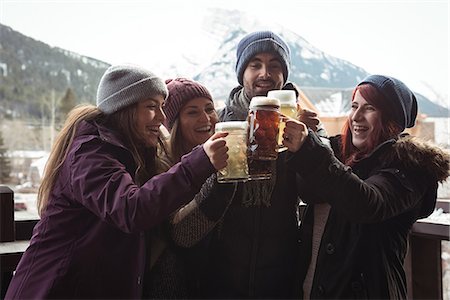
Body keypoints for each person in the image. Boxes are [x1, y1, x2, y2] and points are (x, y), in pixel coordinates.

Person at [5, 65, 229, 299]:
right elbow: (131, 209)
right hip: (53, 290)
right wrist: (200, 161)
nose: (162, 118)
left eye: (162, 106)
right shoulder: (89, 153)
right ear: (125, 109)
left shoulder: (132, 155)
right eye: (151, 107)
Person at [178, 30, 322, 298]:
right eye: (255, 65)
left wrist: (309, 145)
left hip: (281, 272)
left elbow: (316, 192)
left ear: (284, 75)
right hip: (221, 273)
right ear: (242, 73)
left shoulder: (303, 124)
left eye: (274, 65)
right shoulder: (218, 124)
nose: (265, 73)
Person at [285, 74, 450, 299]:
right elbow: (310, 190)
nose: (356, 116)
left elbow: (367, 203)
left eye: (369, 108)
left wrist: (310, 149)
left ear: (392, 121)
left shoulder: (410, 167)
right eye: (354, 106)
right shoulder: (338, 154)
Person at [142, 77, 237, 298]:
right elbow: (183, 234)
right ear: (173, 124)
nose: (206, 118)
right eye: (192, 112)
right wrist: (223, 177)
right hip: (173, 287)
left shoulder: (228, 156)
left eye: (209, 109)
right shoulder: (159, 168)